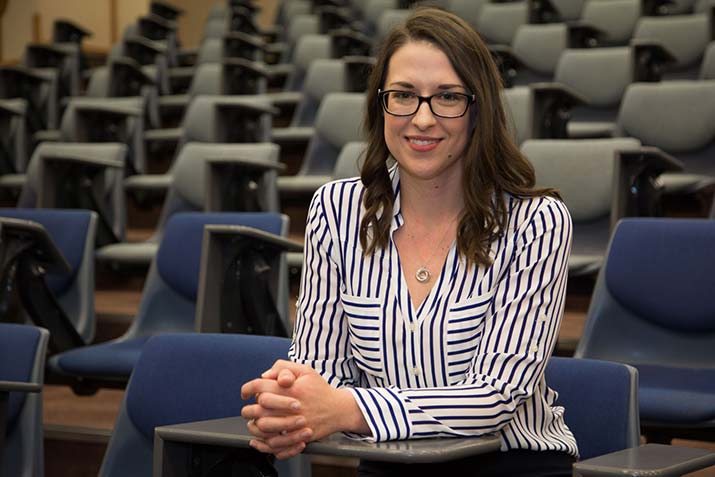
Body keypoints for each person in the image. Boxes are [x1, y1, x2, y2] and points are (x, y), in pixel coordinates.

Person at [241, 6, 576, 476]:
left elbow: (495, 395)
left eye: (447, 97)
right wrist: (291, 401)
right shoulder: (337, 212)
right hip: (389, 460)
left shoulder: (535, 222)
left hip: (508, 463)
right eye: (403, 95)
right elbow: (321, 366)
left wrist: (345, 410)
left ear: (477, 109)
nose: (422, 119)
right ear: (381, 105)